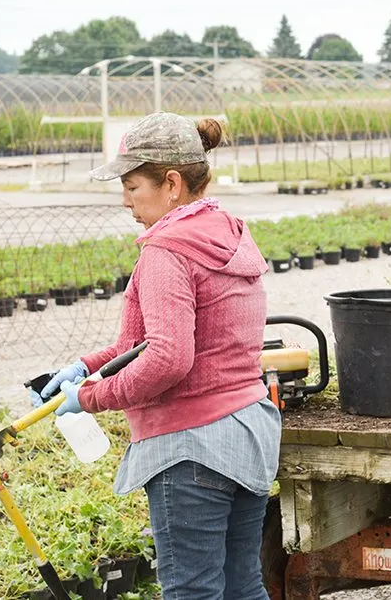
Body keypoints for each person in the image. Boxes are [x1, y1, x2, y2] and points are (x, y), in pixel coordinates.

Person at [31, 111, 281, 600]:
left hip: (192, 450)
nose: (125, 200)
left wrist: (90, 397)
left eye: (132, 187)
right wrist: (86, 366)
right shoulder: (226, 232)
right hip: (247, 433)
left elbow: (167, 358)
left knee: (192, 591)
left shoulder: (167, 250)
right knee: (242, 585)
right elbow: (145, 343)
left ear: (171, 184)